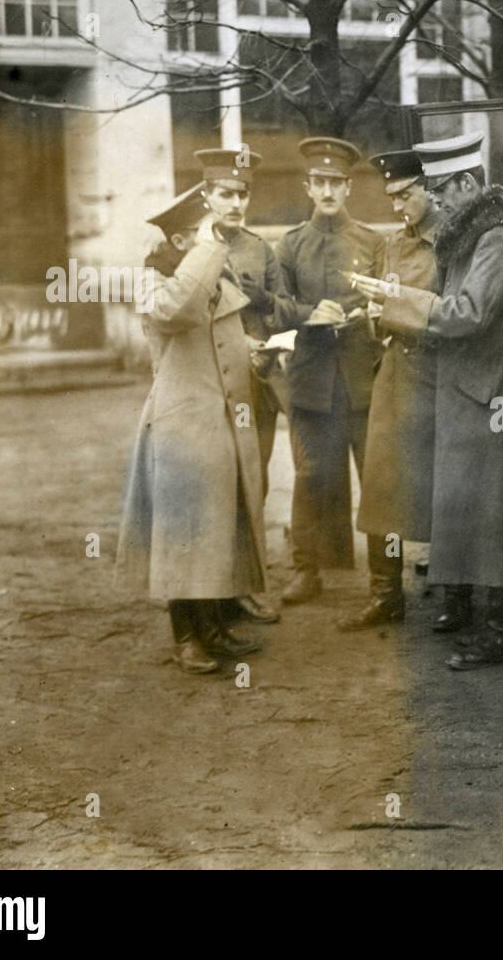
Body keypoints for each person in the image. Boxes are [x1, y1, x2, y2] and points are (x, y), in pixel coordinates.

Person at [353, 131, 503, 663]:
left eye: (443, 190)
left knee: (493, 514)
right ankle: (487, 620)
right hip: (469, 389)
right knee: (471, 510)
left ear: (469, 184)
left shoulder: (498, 238)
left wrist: (396, 299)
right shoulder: (473, 235)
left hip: (489, 389)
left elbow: (470, 313)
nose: (439, 201)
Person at [116, 185, 268, 674]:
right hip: (181, 423)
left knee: (214, 528)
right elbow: (177, 313)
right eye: (203, 233)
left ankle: (213, 628)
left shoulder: (203, 273)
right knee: (181, 533)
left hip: (217, 420)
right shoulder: (156, 280)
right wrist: (208, 248)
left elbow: (217, 335)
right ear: (181, 241)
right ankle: (187, 638)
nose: (216, 239)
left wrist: (257, 350)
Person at [193, 146, 305, 626]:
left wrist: (264, 304)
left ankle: (246, 588)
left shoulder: (260, 250)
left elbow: (286, 306)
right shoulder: (191, 249)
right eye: (226, 194)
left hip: (258, 380)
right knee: (219, 487)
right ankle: (214, 593)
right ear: (207, 197)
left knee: (254, 483)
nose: (236, 203)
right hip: (214, 385)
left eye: (243, 194)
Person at [274, 138, 386, 606]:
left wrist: (368, 312)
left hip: (362, 379)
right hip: (312, 380)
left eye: (335, 183)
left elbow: (386, 300)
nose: (327, 191)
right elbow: (275, 309)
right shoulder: (289, 244)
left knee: (377, 480)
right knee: (310, 477)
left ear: (348, 189)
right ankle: (306, 570)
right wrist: (306, 313)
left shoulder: (372, 241)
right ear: (307, 187)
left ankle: (384, 583)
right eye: (318, 182)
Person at [342, 150, 441, 629]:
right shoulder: (392, 245)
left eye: (406, 194)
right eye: (392, 197)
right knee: (381, 487)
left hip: (440, 380)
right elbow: (383, 304)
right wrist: (368, 316)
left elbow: (457, 311)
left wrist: (392, 308)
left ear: (431, 188)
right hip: (394, 376)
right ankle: (385, 594)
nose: (398, 206)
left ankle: (451, 595)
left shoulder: (453, 243)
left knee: (443, 489)